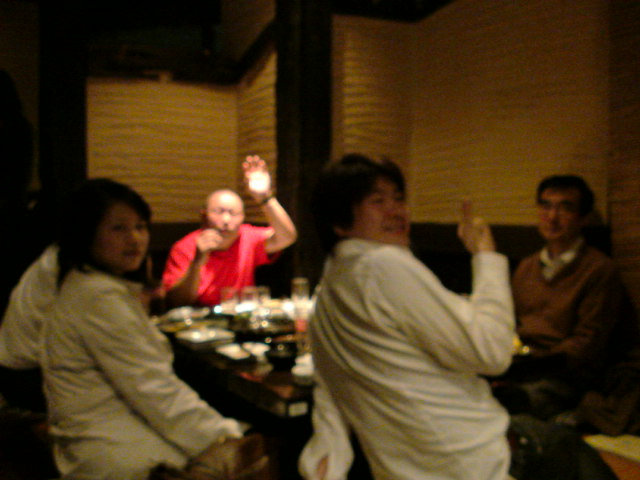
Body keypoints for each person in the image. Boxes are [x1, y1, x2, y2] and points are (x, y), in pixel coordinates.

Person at [299, 154, 516, 480]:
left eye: (398, 198)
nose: (396, 211)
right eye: (377, 201)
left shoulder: (329, 288)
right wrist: (486, 256)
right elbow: (493, 352)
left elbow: (331, 386)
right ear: (340, 223)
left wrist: (329, 456)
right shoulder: (382, 265)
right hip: (476, 461)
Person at [40, 178, 245, 480]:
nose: (135, 239)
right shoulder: (98, 297)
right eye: (118, 228)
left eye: (140, 226)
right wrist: (228, 437)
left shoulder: (88, 283)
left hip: (102, 430)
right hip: (112, 448)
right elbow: (154, 390)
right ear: (86, 233)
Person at [505, 175, 632, 420]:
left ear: (583, 218)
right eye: (546, 206)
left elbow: (587, 344)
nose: (552, 217)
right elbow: (509, 323)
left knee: (514, 403)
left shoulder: (599, 269)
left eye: (565, 208)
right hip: (522, 367)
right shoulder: (526, 267)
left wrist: (534, 364)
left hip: (568, 376)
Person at [162, 155, 297, 307]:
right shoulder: (184, 247)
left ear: (243, 218)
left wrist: (264, 198)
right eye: (218, 212)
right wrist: (197, 262)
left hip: (240, 314)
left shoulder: (246, 237)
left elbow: (287, 237)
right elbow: (176, 301)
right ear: (204, 216)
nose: (226, 220)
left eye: (233, 213)